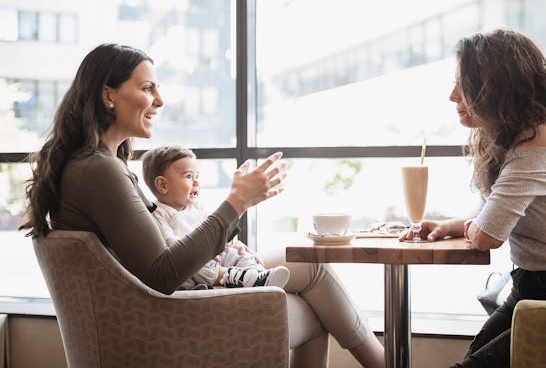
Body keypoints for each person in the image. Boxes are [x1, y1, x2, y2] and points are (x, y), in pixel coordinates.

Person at [20, 43, 384, 367]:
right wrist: (236, 203)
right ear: (108, 95)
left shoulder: (98, 164)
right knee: (312, 306)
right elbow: (162, 273)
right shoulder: (98, 169)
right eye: (147, 88)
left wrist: (226, 236)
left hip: (172, 295)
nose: (159, 101)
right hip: (162, 319)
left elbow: (158, 251)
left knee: (310, 267)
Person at [401, 29, 546, 368]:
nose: (452, 95)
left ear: (496, 86)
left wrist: (473, 226)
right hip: (540, 286)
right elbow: (493, 213)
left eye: (463, 83)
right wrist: (452, 226)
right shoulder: (527, 139)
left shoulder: (536, 149)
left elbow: (488, 235)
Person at [141, 145, 290, 290]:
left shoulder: (197, 207)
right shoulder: (159, 215)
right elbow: (174, 249)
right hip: (192, 265)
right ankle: (233, 277)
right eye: (188, 176)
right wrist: (204, 254)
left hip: (214, 257)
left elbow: (215, 231)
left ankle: (258, 275)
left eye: (197, 176)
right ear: (162, 185)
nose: (196, 182)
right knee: (198, 265)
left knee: (238, 253)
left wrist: (232, 244)